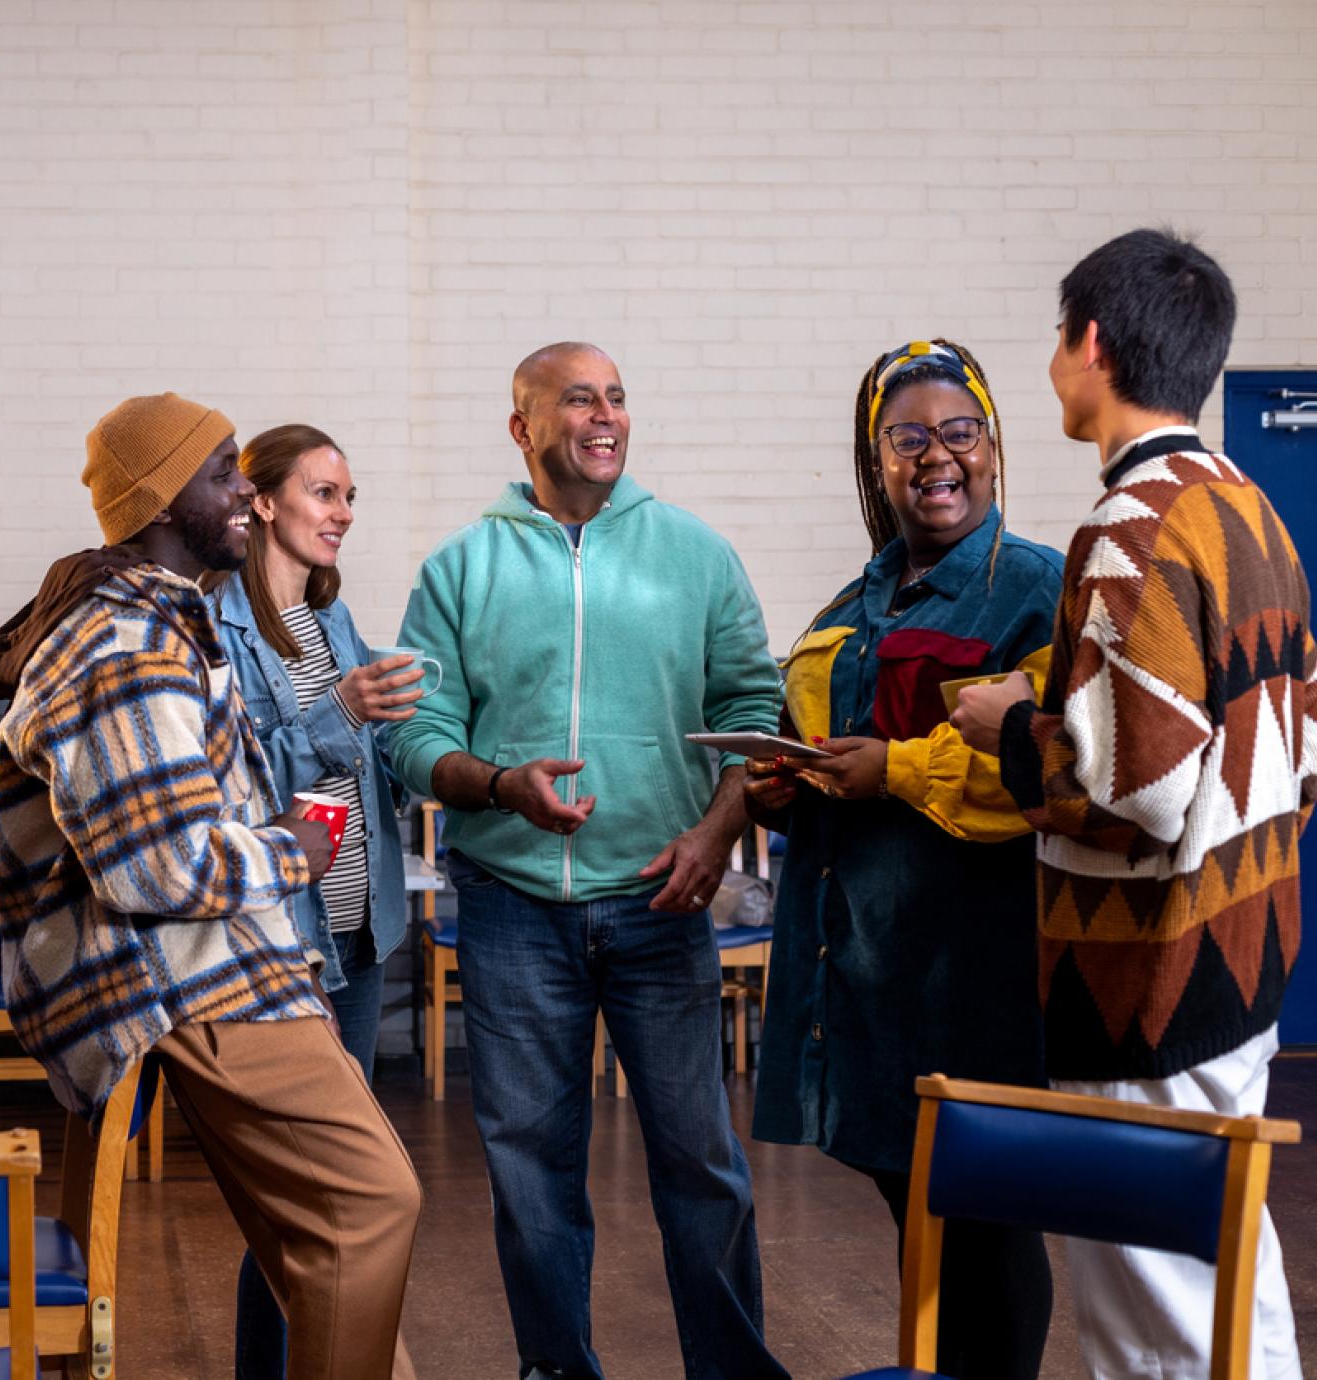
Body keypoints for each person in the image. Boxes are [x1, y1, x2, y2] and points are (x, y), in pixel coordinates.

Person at [0, 392, 421, 1380]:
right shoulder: (124, 642)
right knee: (370, 1203)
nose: (244, 498)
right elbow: (157, 865)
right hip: (196, 974)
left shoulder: (158, 624)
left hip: (224, 961)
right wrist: (288, 852)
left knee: (325, 1238)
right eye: (224, 473)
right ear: (162, 499)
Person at [388, 343, 786, 1380]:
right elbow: (416, 736)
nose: (603, 415)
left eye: (615, 397)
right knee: (530, 1173)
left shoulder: (694, 555)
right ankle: (555, 1371)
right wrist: (494, 782)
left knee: (700, 1165)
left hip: (661, 898)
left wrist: (713, 835)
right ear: (521, 427)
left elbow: (753, 713)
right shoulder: (459, 568)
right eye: (577, 399)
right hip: (512, 907)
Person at [955, 228, 1312, 1379]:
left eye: (1056, 338)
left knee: (1145, 1325)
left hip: (1145, 982)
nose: (1050, 363)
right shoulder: (1245, 506)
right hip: (1241, 956)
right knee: (1227, 1285)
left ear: (1090, 344)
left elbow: (1137, 796)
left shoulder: (1125, 531)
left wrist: (1005, 725)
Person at [744, 339, 1063, 1378]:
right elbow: (830, 771)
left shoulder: (1037, 593)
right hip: (861, 978)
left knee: (986, 1225)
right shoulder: (847, 611)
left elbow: (1046, 771)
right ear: (873, 461)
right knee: (918, 1215)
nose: (936, 457)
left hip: (970, 977)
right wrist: (783, 786)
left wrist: (896, 769)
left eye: (957, 432)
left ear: (992, 445)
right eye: (907, 438)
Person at [207, 423, 423, 1380]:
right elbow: (239, 780)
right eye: (324, 494)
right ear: (261, 501)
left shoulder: (329, 622)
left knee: (331, 1201)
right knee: (305, 1196)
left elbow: (366, 769)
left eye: (348, 498)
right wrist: (344, 713)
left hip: (357, 925)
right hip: (283, 942)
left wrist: (424, 747)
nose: (342, 514)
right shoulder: (215, 621)